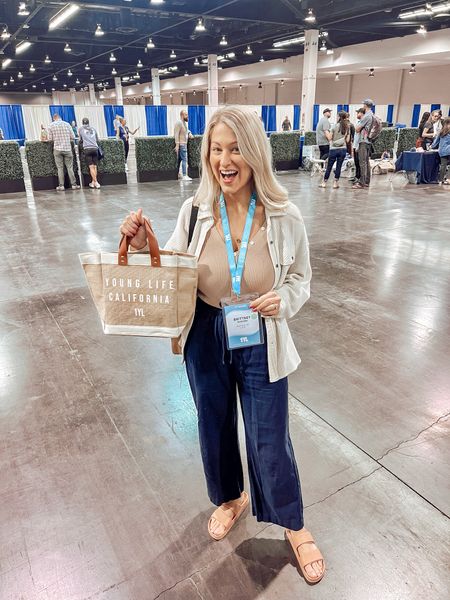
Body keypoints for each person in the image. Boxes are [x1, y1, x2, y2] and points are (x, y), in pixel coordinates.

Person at [119, 106, 325, 585]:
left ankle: (293, 523)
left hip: (258, 330)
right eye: (216, 149)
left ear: (254, 154)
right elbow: (171, 260)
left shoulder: (283, 215)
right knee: (213, 425)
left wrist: (284, 298)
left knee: (269, 435)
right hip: (206, 330)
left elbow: (301, 278)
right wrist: (144, 238)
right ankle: (232, 498)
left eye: (235, 149)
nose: (225, 160)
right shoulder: (195, 210)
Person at [46, 113, 80, 191]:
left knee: (60, 168)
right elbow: (73, 137)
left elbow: (50, 139)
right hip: (67, 149)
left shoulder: (51, 125)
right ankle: (74, 185)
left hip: (57, 149)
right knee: (70, 167)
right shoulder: (67, 124)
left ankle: (61, 186)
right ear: (60, 117)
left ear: (54, 118)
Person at [319, 110, 350, 189]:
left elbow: (329, 138)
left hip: (334, 149)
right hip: (343, 149)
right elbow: (347, 140)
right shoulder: (347, 127)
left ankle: (324, 182)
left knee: (329, 166)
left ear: (339, 117)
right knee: (339, 166)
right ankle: (335, 183)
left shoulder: (334, 126)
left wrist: (326, 132)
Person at [353, 99, 374, 189]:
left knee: (362, 162)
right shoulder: (372, 115)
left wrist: (357, 128)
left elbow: (357, 129)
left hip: (363, 141)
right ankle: (366, 181)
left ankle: (361, 183)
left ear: (365, 105)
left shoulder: (366, 116)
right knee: (366, 162)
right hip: (369, 141)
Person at [78, 117, 101, 189]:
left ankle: (96, 182)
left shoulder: (81, 129)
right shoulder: (93, 129)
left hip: (87, 149)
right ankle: (93, 182)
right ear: (88, 122)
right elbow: (97, 139)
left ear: (82, 123)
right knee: (95, 166)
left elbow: (80, 140)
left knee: (91, 167)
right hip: (95, 148)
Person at [174, 109, 192, 181]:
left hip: (183, 144)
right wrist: (177, 145)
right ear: (182, 115)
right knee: (184, 159)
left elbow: (186, 130)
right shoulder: (179, 123)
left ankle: (177, 173)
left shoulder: (183, 123)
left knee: (179, 160)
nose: (187, 116)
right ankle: (185, 175)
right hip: (182, 145)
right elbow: (176, 134)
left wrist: (189, 133)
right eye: (186, 115)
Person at [431, 116, 450, 185]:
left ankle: (440, 180)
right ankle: (448, 179)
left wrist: (432, 147)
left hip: (442, 151)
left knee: (443, 165)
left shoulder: (441, 131)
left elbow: (436, 142)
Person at [350, 108, 365, 184]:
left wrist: (358, 146)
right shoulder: (358, 121)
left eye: (358, 113)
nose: (357, 114)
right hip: (355, 145)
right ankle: (356, 176)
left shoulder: (363, 123)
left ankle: (360, 178)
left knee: (359, 163)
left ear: (362, 113)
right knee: (356, 162)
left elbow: (361, 136)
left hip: (359, 146)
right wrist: (354, 146)